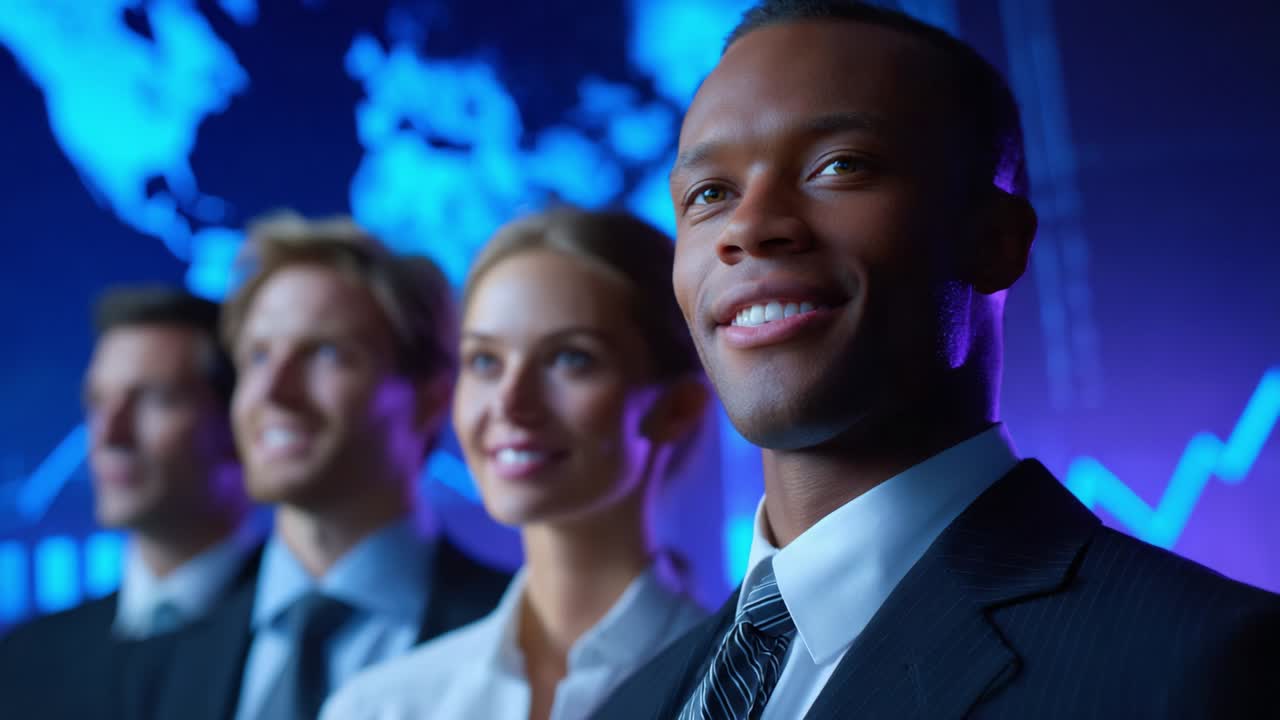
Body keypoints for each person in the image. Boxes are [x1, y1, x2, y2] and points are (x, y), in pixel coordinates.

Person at [592, 2, 1280, 719]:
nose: (749, 226)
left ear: (995, 240)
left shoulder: (1205, 667)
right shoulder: (634, 705)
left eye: (840, 166)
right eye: (710, 194)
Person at [321, 208, 712, 720]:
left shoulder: (755, 692)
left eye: (571, 358)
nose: (509, 402)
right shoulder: (381, 707)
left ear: (677, 407)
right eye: (485, 361)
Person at [139, 214, 511, 720]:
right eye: (259, 356)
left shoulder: (518, 639)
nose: (273, 392)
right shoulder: (162, 659)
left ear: (430, 399)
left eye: (327, 354)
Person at [0, 286, 257, 718]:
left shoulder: (297, 640)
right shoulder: (26, 661)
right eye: (97, 402)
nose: (108, 435)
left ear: (237, 420)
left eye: (154, 399)